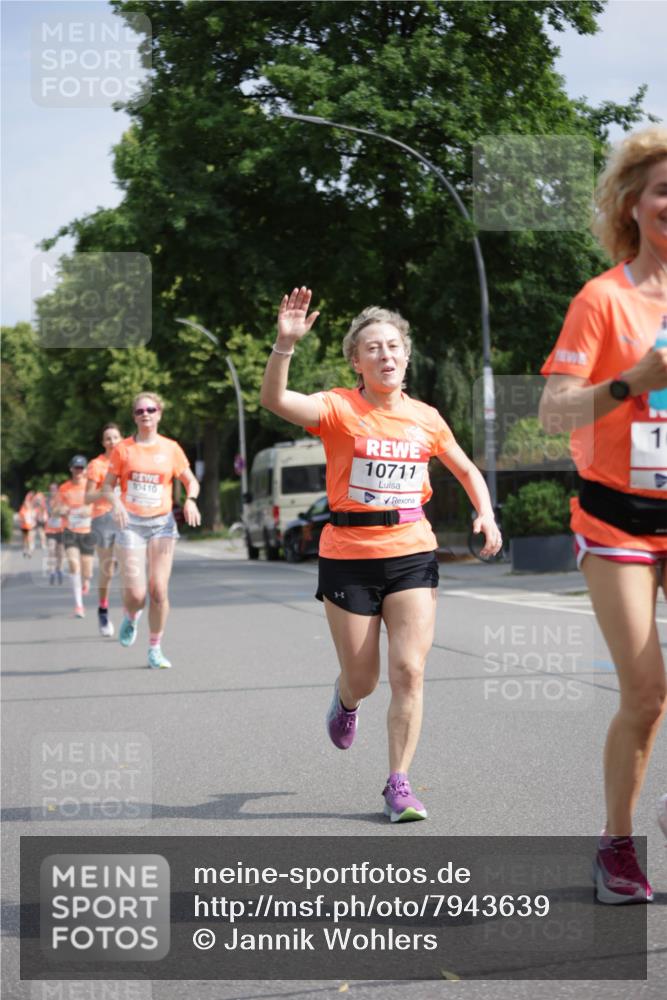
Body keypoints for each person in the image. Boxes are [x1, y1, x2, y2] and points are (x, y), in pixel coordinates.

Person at [260, 287, 501, 822]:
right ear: (357, 361)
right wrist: (285, 344)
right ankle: (346, 700)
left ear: (406, 356)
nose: (385, 355)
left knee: (409, 670)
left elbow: (466, 469)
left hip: (412, 549)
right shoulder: (337, 408)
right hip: (348, 555)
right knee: (364, 678)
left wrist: (485, 513)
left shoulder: (426, 418)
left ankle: (399, 783)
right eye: (373, 348)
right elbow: (275, 400)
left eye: (394, 346)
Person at [539, 126, 667, 904]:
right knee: (646, 695)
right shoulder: (601, 299)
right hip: (617, 519)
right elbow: (553, 413)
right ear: (632, 204)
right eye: (662, 191)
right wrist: (631, 381)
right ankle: (615, 847)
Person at [102, 392, 201, 669]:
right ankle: (131, 615)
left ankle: (155, 648)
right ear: (134, 417)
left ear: (159, 414)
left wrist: (191, 500)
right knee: (137, 594)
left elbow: (191, 481)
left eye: (150, 409)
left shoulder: (171, 448)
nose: (145, 414)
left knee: (158, 590)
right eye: (139, 411)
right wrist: (116, 504)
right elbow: (107, 486)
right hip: (131, 524)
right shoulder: (123, 449)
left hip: (162, 525)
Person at [85, 423, 123, 637]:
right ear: (103, 442)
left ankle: (129, 613)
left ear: (121, 439)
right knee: (108, 569)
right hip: (102, 517)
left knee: (129, 565)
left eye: (115, 437)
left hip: (124, 516)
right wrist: (107, 489)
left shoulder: (127, 461)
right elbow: (88, 497)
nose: (112, 441)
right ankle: (103, 608)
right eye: (108, 438)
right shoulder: (96, 465)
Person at [54, 457, 95, 617]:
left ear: (85, 470)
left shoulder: (90, 486)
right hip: (70, 530)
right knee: (73, 564)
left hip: (87, 531)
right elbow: (55, 509)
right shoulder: (64, 488)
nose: (78, 471)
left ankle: (86, 581)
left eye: (81, 468)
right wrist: (62, 510)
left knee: (87, 570)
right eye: (76, 467)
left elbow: (99, 506)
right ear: (71, 469)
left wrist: (89, 511)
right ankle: (79, 605)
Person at [44, 482, 65, 585]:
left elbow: (64, 512)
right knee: (51, 550)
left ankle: (59, 569)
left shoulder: (62, 500)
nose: (52, 491)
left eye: (54, 489)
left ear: (57, 490)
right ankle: (52, 571)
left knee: (60, 552)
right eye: (51, 489)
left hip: (61, 529)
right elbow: (51, 512)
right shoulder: (47, 500)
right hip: (50, 530)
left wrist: (61, 511)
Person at [18, 491, 37, 558]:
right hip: (24, 526)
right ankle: (24, 550)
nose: (27, 504)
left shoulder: (32, 510)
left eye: (28, 504)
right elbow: (20, 518)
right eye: (26, 504)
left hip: (30, 526)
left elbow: (34, 517)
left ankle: (29, 551)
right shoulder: (22, 510)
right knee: (24, 539)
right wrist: (22, 521)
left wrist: (33, 522)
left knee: (29, 539)